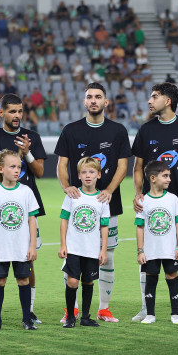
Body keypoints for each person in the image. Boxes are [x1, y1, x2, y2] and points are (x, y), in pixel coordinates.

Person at [54, 82, 131, 324]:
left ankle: (103, 308)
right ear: (85, 102)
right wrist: (67, 187)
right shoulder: (71, 130)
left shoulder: (117, 130)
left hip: (107, 202)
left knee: (106, 255)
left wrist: (108, 190)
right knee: (72, 253)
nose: (94, 100)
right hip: (79, 203)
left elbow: (122, 165)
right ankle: (72, 309)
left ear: (106, 102)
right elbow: (61, 164)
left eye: (98, 97)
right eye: (90, 97)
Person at [131, 83, 178, 322]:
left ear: (168, 100)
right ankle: (145, 307)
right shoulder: (146, 130)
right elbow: (138, 167)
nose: (150, 101)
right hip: (150, 204)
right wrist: (137, 194)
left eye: (154, 97)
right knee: (148, 254)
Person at [0, 94, 46, 326]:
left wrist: (27, 152)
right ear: (1, 113)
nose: (17, 115)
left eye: (20, 111)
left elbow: (39, 172)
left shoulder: (33, 137)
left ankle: (29, 311)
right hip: (1, 208)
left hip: (28, 206)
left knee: (28, 260)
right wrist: (16, 158)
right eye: (12, 111)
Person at [0, 150, 39, 331]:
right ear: (0, 169)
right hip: (1, 248)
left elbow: (31, 220)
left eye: (19, 167)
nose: (17, 170)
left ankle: (27, 319)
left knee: (24, 281)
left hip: (22, 247)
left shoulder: (26, 191)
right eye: (12, 166)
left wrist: (32, 246)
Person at [58, 157, 109, 328]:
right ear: (79, 175)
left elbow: (104, 226)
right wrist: (63, 245)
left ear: (99, 175)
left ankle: (85, 317)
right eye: (84, 172)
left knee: (88, 281)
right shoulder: (73, 195)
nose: (88, 175)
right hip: (73, 248)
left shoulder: (102, 199)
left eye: (92, 172)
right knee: (72, 281)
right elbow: (64, 220)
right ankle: (71, 316)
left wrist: (103, 250)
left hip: (92, 249)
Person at [135, 161, 178, 325]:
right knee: (151, 278)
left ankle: (175, 314)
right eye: (165, 176)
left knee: (172, 276)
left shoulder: (173, 199)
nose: (169, 179)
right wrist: (140, 251)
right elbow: (140, 227)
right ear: (152, 178)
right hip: (151, 251)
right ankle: (150, 314)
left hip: (170, 250)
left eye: (169, 175)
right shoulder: (143, 201)